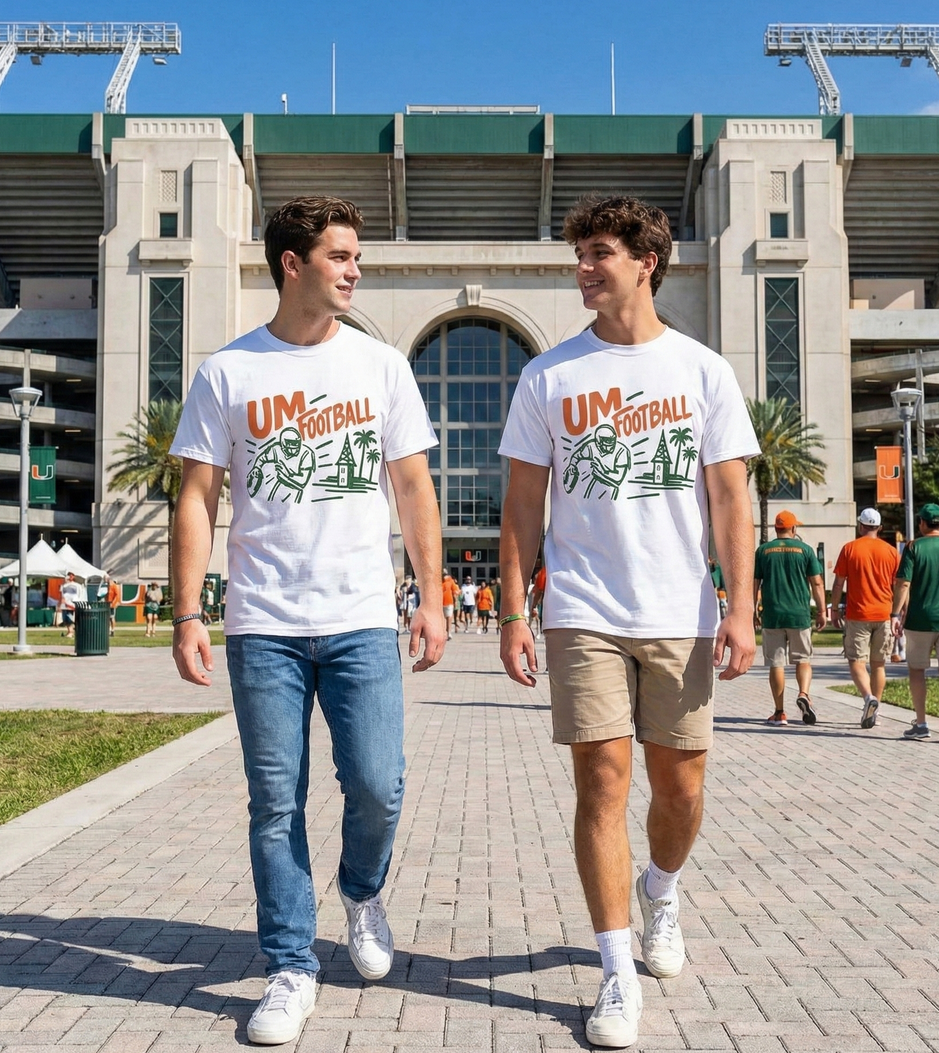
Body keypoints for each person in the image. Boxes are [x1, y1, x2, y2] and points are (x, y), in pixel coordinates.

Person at [168, 195, 446, 1046]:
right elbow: (195, 498)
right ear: (292, 264)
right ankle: (290, 964)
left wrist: (432, 597)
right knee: (273, 802)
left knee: (377, 784)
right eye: (340, 255)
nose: (355, 269)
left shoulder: (381, 366)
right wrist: (188, 612)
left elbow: (412, 489)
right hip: (264, 621)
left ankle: (361, 891)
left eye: (356, 255)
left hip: (362, 615)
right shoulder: (229, 372)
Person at [498, 194, 758, 1048]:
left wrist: (742, 609)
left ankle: (662, 889)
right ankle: (615, 974)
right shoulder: (548, 376)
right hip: (583, 612)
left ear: (647, 260)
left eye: (598, 252)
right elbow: (521, 507)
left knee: (680, 791)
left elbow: (729, 499)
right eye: (578, 253)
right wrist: (513, 610)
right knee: (601, 785)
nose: (582, 267)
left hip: (680, 610)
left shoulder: (702, 370)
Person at [753, 511, 826, 725]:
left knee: (776, 663)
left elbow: (755, 583)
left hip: (773, 615)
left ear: (776, 529)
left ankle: (779, 712)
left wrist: (753, 610)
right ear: (793, 529)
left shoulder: (763, 551)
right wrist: (822, 611)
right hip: (799, 615)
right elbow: (817, 583)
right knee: (803, 659)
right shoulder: (805, 550)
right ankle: (803, 693)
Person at [830, 508, 899, 729]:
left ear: (860, 526)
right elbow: (899, 585)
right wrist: (898, 613)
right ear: (879, 528)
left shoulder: (850, 549)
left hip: (858, 614)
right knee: (879, 665)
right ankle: (875, 712)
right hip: (884, 614)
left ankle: (868, 697)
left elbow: (839, 583)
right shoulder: (890, 552)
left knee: (856, 662)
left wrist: (834, 609)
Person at [890, 503, 939, 739]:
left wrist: (895, 614)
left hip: (919, 620)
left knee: (917, 670)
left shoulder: (913, 547)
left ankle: (921, 724)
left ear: (922, 523)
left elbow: (903, 583)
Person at [58, 572, 83, 638]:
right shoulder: (63, 585)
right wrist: (59, 604)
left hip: (72, 604)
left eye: (72, 575)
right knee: (65, 619)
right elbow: (61, 595)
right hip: (64, 604)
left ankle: (71, 632)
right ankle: (69, 631)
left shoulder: (77, 585)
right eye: (69, 575)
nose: (70, 576)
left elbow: (80, 595)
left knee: (70, 618)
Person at [441, 569, 460, 639]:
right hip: (440, 603)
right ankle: (443, 632)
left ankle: (448, 632)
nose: (444, 577)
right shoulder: (438, 582)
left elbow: (455, 591)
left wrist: (456, 600)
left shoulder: (450, 581)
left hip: (449, 602)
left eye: (444, 575)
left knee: (449, 618)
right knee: (442, 619)